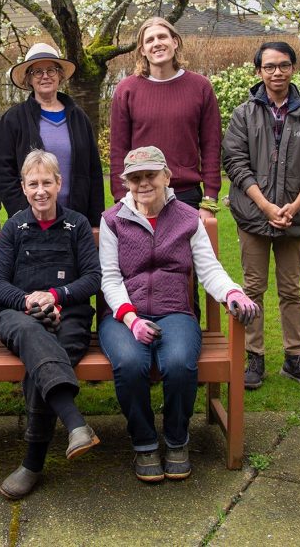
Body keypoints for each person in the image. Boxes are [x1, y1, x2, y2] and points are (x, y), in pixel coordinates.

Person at [98, 146, 257, 482]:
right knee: (129, 363)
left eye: (150, 175)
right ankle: (143, 442)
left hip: (175, 312)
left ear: (167, 177)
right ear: (126, 183)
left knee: (179, 362)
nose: (143, 183)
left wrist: (232, 292)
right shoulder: (113, 220)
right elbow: (110, 278)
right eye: (135, 178)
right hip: (125, 316)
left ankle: (176, 439)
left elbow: (209, 269)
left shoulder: (187, 219)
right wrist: (131, 318)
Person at [0, 150, 102, 500]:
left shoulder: (77, 225)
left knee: (45, 361)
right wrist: (27, 302)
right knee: (33, 337)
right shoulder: (14, 226)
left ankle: (32, 464)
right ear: (23, 188)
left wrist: (55, 295)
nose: (41, 191)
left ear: (59, 184)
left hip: (69, 313)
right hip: (19, 315)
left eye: (47, 183)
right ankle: (74, 423)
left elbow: (92, 278)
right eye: (33, 184)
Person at [222, 41, 300, 391]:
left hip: (294, 216)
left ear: (293, 68)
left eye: (283, 65)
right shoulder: (244, 115)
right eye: (269, 67)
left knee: (291, 290)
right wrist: (266, 207)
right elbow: (235, 163)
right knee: (253, 289)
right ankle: (254, 358)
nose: (276, 73)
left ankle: (294, 360)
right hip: (254, 217)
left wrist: (294, 205)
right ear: (258, 71)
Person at [109, 16, 222, 315]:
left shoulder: (200, 87)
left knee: (187, 278)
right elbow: (118, 148)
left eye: (163, 37)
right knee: (139, 274)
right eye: (149, 40)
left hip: (185, 196)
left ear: (175, 42)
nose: (157, 43)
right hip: (141, 196)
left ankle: (186, 344)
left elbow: (211, 146)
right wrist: (123, 200)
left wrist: (209, 199)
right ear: (142, 51)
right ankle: (140, 340)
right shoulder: (127, 90)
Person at [0, 43, 104, 227]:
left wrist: (95, 220)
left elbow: (93, 171)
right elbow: (3, 172)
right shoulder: (14, 119)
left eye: (51, 70)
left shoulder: (79, 118)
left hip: (76, 218)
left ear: (60, 75)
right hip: (33, 220)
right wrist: (24, 213)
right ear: (29, 79)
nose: (45, 76)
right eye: (37, 71)